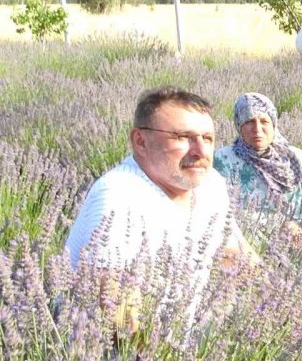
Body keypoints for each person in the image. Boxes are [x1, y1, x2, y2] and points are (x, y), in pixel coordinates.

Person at [65, 86, 255, 329]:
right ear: (141, 141)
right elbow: (117, 318)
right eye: (183, 137)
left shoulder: (211, 184)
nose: (200, 151)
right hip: (112, 359)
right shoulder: (119, 196)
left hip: (183, 344)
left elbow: (239, 257)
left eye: (207, 138)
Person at [214, 93, 302, 244]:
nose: (257, 128)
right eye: (249, 121)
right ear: (239, 125)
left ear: (273, 124)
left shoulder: (294, 158)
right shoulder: (223, 159)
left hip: (293, 250)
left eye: (264, 121)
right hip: (241, 253)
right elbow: (213, 210)